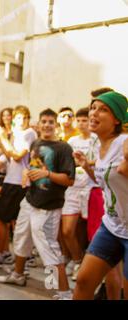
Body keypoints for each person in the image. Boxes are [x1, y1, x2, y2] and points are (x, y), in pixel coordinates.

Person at [0, 108, 75, 300]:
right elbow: (34, 167)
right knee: (21, 239)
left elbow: (69, 180)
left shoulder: (64, 148)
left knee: (49, 249)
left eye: (50, 122)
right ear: (39, 124)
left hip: (48, 207)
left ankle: (64, 293)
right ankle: (18, 275)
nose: (47, 125)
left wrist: (47, 174)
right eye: (44, 122)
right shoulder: (37, 143)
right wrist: (26, 173)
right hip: (29, 201)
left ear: (55, 125)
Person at [73, 91, 128, 300]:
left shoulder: (123, 141)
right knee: (83, 282)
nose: (94, 113)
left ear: (117, 120)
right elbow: (105, 182)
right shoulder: (100, 145)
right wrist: (87, 167)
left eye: (103, 109)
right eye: (93, 108)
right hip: (112, 226)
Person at [0, 106, 37, 269]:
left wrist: (1, 137)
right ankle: (7, 252)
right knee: (6, 219)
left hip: (18, 183)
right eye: (19, 118)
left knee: (1, 217)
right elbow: (9, 157)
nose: (22, 121)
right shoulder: (16, 134)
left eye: (25, 118)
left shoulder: (29, 134)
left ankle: (3, 253)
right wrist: (1, 140)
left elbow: (17, 155)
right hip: (11, 180)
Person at [60, 107, 97, 281]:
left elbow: (97, 163)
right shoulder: (72, 140)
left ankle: (86, 265)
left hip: (91, 190)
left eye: (85, 120)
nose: (82, 123)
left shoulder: (96, 140)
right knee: (67, 230)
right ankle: (77, 260)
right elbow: (68, 163)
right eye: (80, 120)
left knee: (86, 233)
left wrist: (85, 162)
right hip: (73, 190)